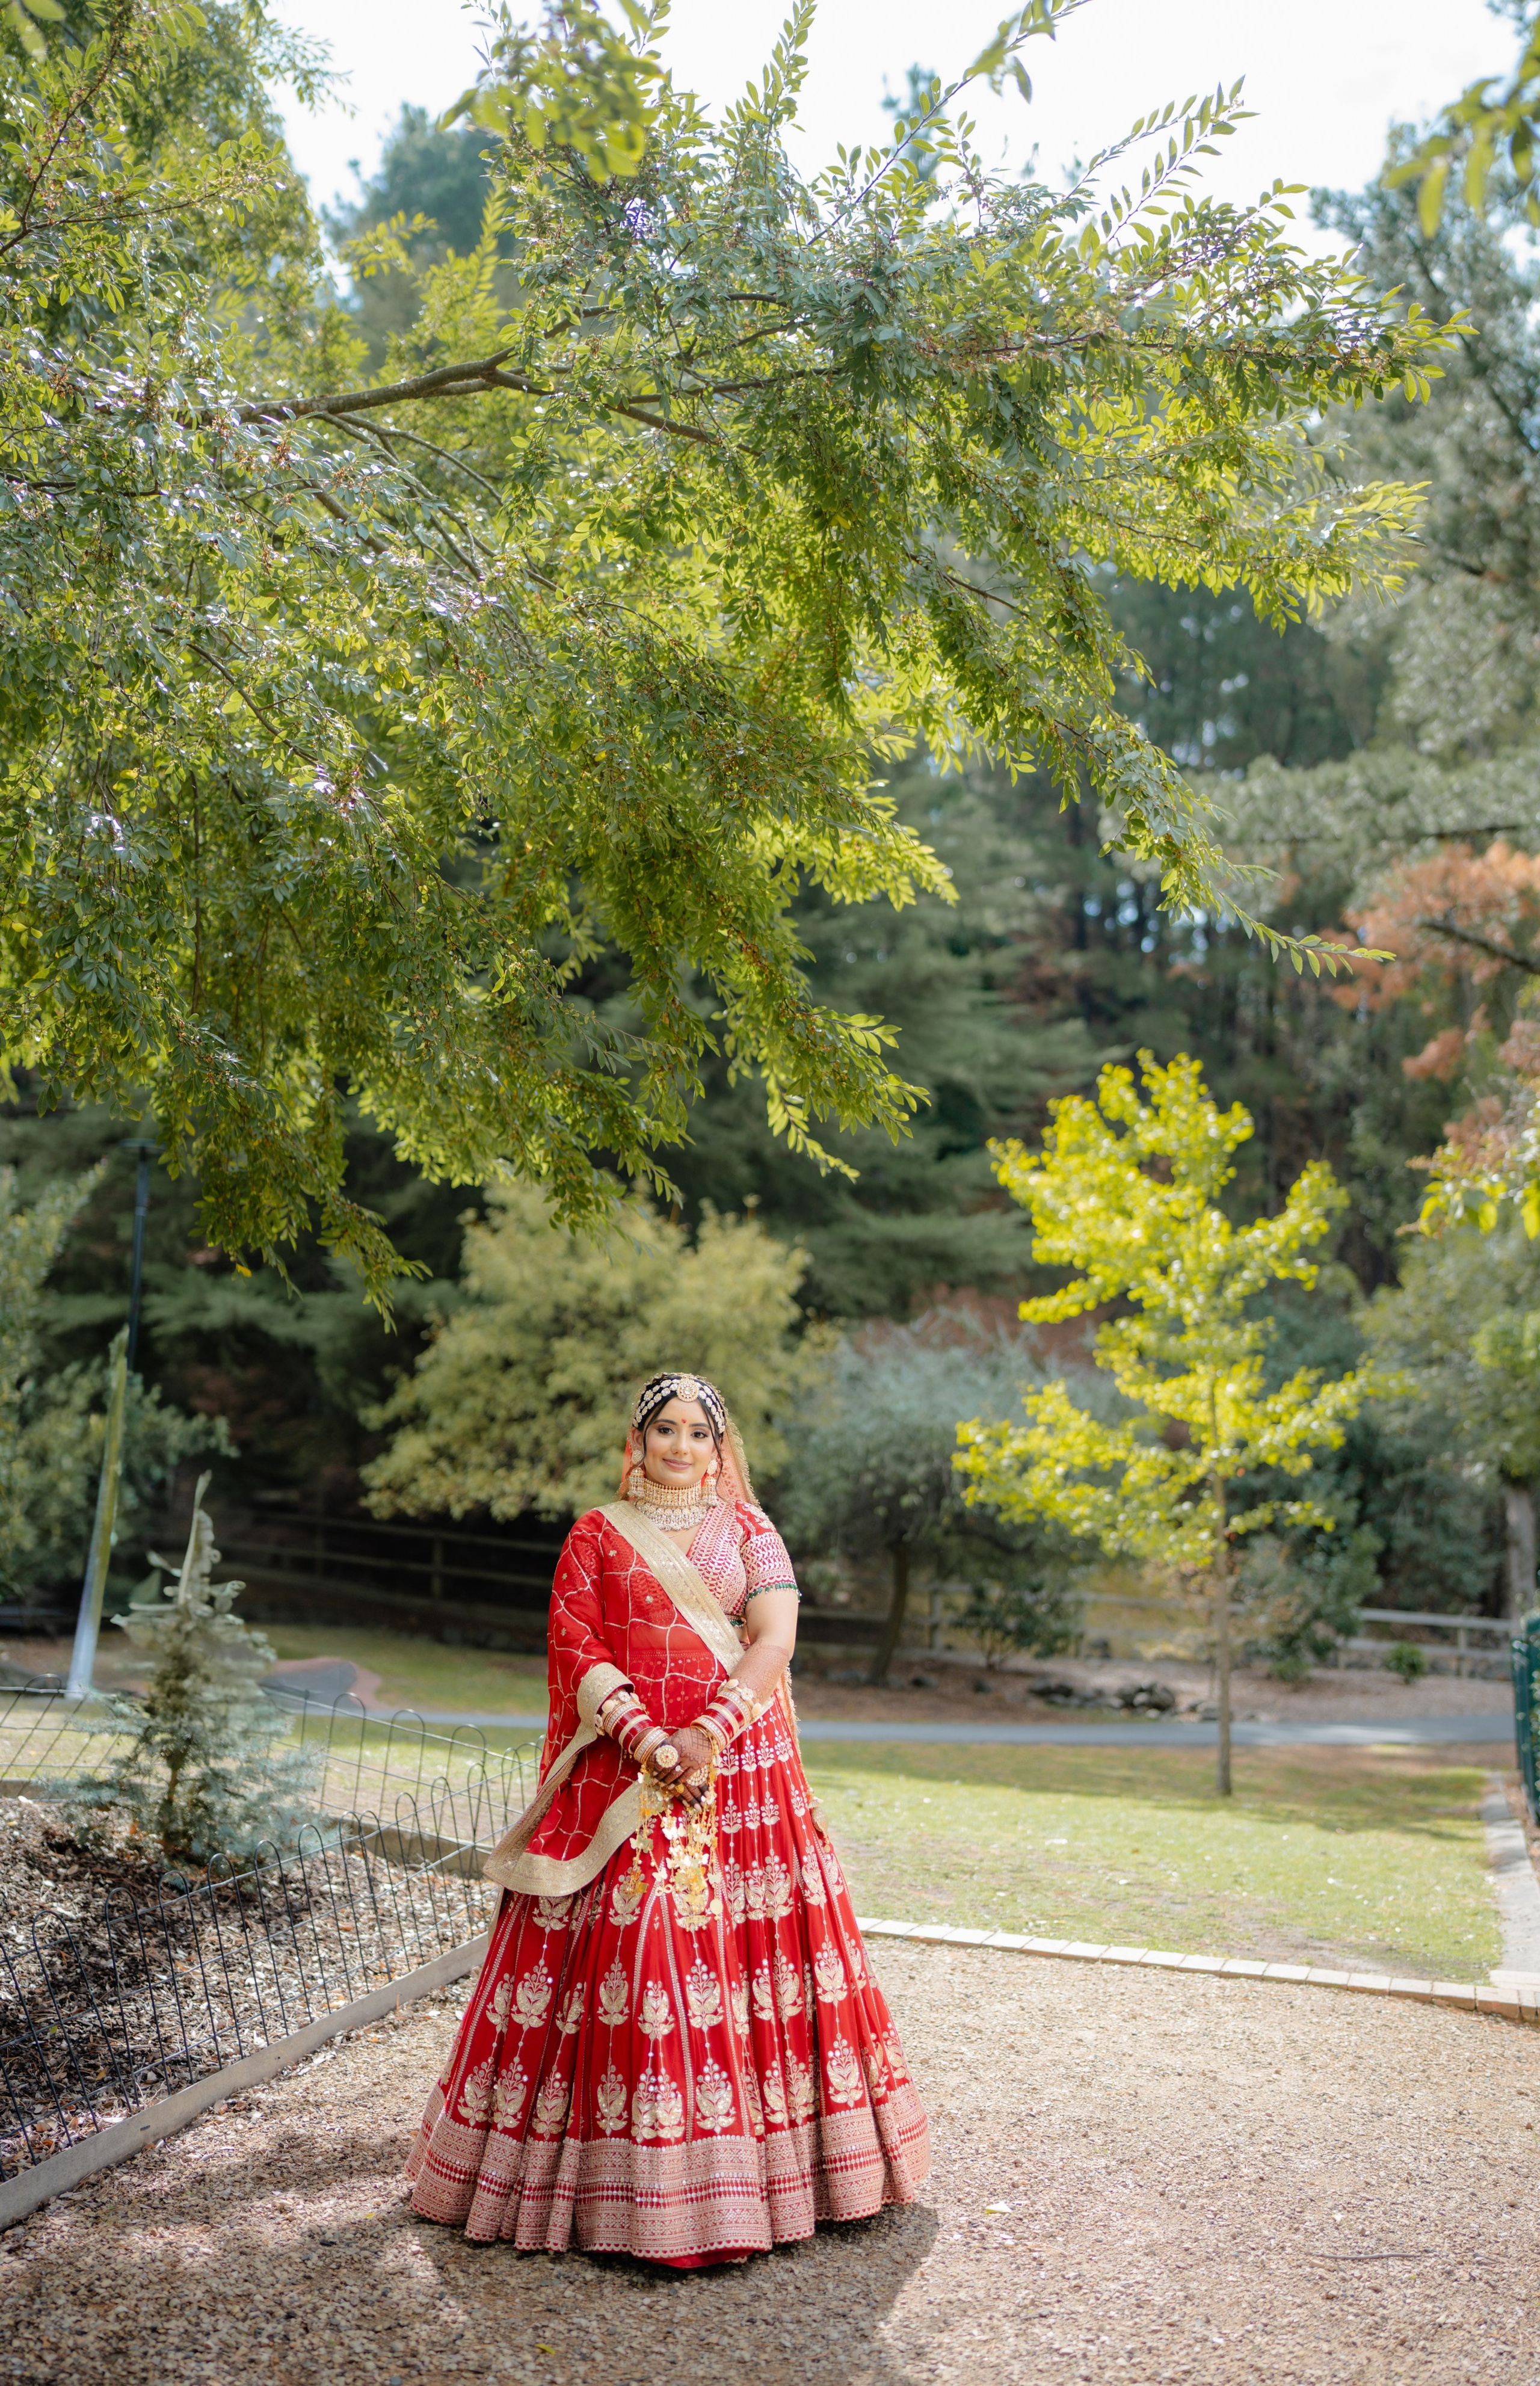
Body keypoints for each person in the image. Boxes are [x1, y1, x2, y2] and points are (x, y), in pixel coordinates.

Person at [406, 1370, 929, 2265]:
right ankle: (628, 2196)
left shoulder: (752, 1530)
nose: (682, 1447)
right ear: (637, 1442)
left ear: (720, 1448)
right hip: (624, 1776)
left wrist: (706, 1734)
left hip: (742, 1782)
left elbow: (774, 1639)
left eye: (699, 1433)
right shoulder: (597, 1536)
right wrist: (648, 1738)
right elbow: (578, 1643)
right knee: (643, 1950)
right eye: (666, 1431)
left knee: (744, 1962)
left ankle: (773, 2183)